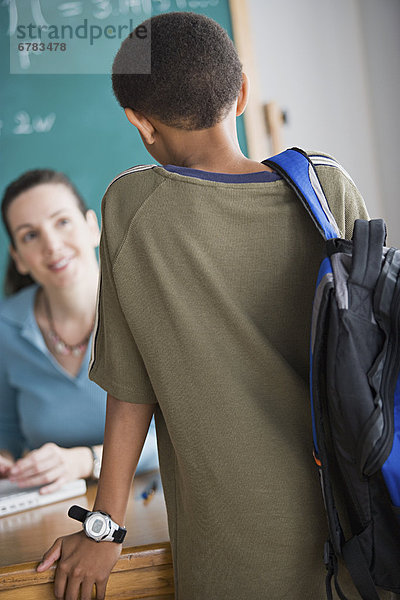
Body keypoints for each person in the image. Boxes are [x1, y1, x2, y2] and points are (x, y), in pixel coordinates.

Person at [37, 11, 390, 600]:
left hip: (237, 551)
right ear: (244, 91)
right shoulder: (327, 187)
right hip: (361, 529)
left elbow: (130, 389)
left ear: (139, 123)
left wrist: (104, 529)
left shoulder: (133, 205)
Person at [0, 169, 158, 494]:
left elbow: (182, 434)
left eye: (62, 222)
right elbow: (8, 434)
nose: (52, 245)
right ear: (19, 258)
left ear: (92, 227)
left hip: (153, 500)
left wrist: (86, 461)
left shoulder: (148, 306)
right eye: (30, 235)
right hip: (53, 510)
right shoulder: (5, 328)